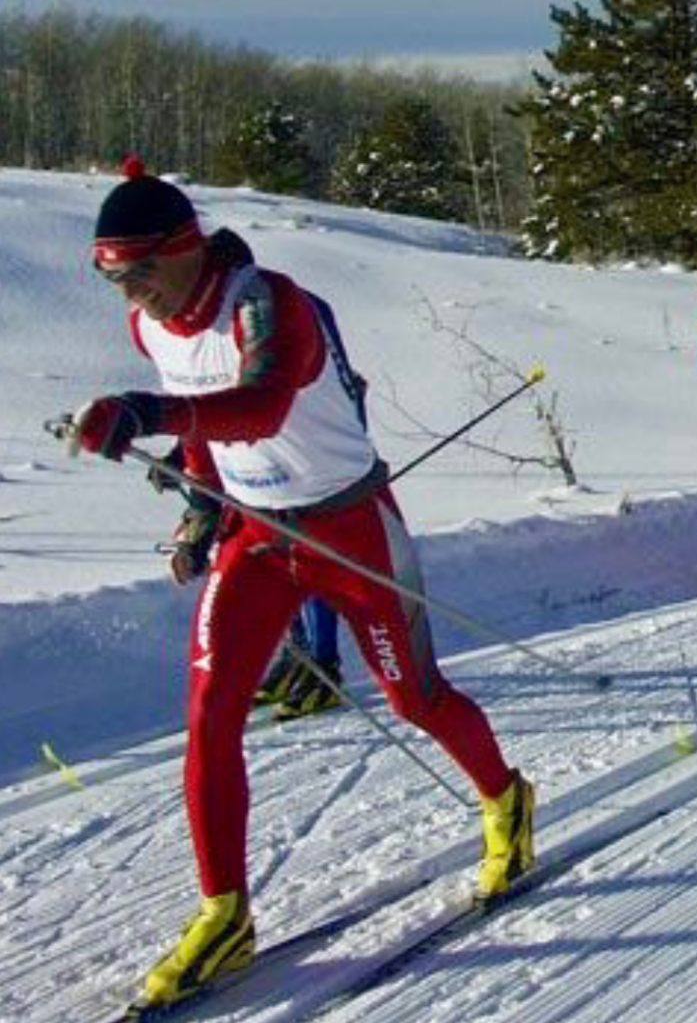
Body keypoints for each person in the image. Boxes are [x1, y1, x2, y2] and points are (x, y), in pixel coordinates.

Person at [69, 159, 534, 1010]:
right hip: (259, 533)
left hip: (349, 525)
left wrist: (149, 414)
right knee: (209, 716)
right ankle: (225, 910)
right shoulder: (153, 330)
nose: (135, 298)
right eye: (114, 281)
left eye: (142, 273)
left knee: (413, 698)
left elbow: (263, 405)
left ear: (187, 247)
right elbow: (207, 430)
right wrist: (199, 510)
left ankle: (506, 799)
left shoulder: (266, 302)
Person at [152, 444, 345, 720]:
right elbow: (206, 415)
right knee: (272, 554)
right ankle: (299, 655)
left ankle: (324, 668)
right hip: (255, 472)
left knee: (306, 552)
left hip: (304, 461)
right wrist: (179, 456)